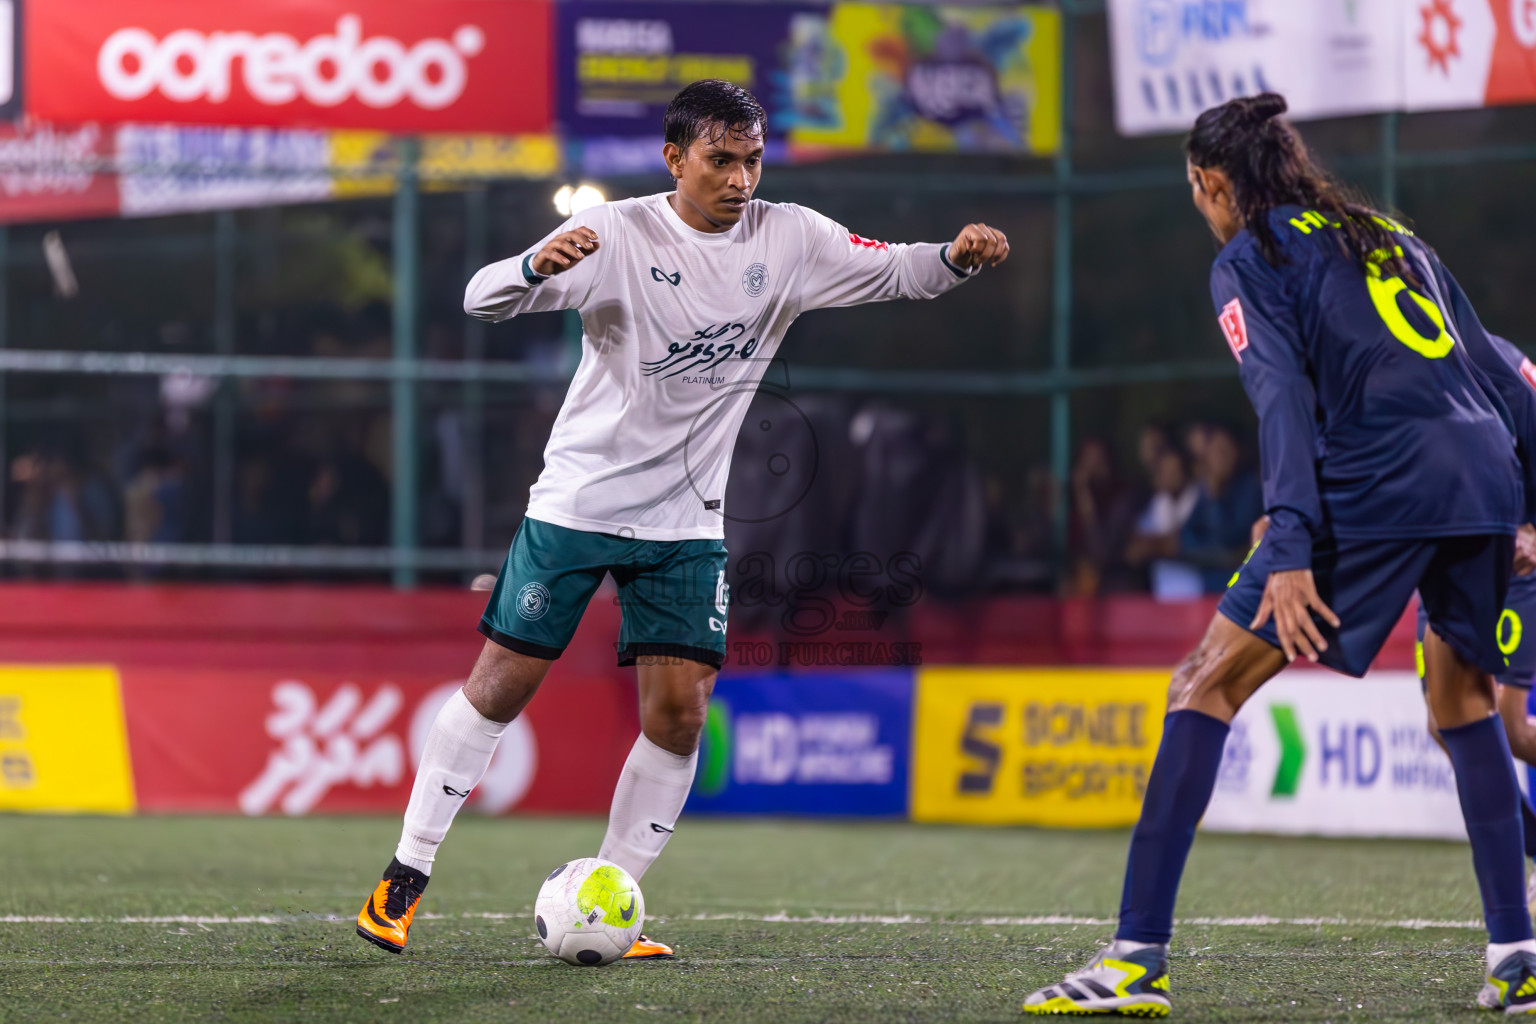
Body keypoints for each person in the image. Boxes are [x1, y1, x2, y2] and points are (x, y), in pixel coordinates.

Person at [355, 80, 1009, 958]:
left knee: (679, 716)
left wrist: (957, 257)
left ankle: (614, 895)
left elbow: (898, 270)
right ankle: (404, 876)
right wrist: (532, 269)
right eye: (720, 160)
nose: (740, 179)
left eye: (752, 159)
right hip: (580, 502)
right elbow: (479, 299)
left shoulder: (792, 237)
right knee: (503, 683)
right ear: (675, 159)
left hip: (688, 519)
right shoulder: (617, 235)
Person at [1024, 93, 1536, 1016]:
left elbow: (1281, 401)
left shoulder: (1248, 258)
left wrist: (1291, 542)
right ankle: (1520, 956)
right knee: (1462, 707)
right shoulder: (1387, 234)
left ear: (1215, 183)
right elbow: (1502, 378)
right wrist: (1529, 507)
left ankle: (1135, 958)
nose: (1199, 203)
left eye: (1195, 189)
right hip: (1484, 480)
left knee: (1202, 684)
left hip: (1382, 479)